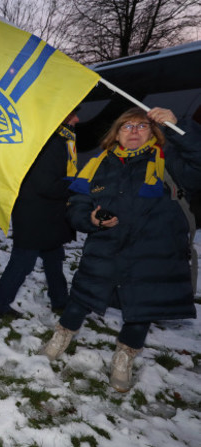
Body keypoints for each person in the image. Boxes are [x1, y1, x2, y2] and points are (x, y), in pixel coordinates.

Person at [41, 106, 201, 393]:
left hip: (152, 256)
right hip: (105, 249)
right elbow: (77, 204)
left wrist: (181, 129)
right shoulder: (100, 163)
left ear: (153, 131)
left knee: (140, 311)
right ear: (116, 134)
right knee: (81, 299)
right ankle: (62, 337)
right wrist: (89, 219)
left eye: (142, 126)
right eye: (127, 127)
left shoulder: (168, 159)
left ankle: (124, 358)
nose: (134, 132)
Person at [0, 110, 79, 318]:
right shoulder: (51, 143)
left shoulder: (52, 139)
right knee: (22, 263)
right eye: (72, 115)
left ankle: (60, 301)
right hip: (35, 217)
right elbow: (46, 184)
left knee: (54, 258)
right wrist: (76, 186)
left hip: (46, 215)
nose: (77, 120)